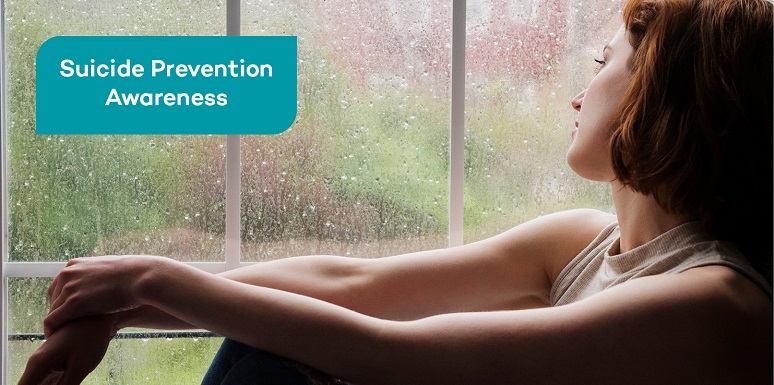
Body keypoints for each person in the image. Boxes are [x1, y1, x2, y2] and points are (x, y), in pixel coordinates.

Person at [18, 0, 773, 383]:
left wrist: (148, 280)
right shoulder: (580, 242)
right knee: (268, 346)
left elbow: (396, 352)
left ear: (663, 93)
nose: (583, 85)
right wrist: (120, 301)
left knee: (277, 353)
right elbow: (353, 285)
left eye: (606, 58)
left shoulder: (714, 302)